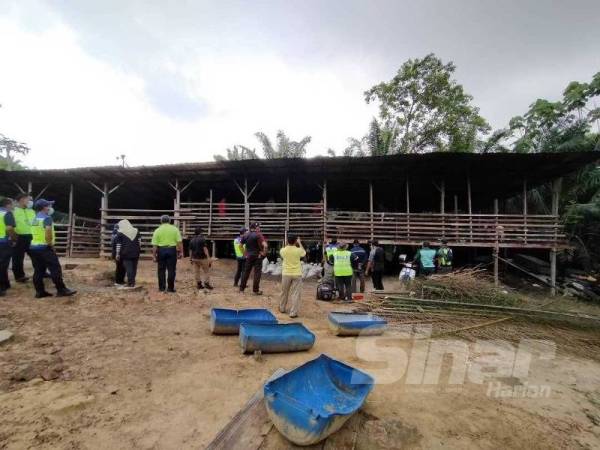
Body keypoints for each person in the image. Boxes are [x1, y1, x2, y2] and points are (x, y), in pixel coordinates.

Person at [29, 199, 77, 298]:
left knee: (38, 270)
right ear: (44, 207)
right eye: (48, 205)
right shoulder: (47, 218)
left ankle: (39, 291)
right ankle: (61, 290)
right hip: (44, 247)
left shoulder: (34, 219)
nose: (50, 207)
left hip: (33, 247)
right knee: (55, 269)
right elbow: (48, 233)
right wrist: (50, 244)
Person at [151, 215, 183, 293]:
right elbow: (179, 242)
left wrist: (154, 255)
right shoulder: (175, 229)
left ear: (161, 221)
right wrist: (181, 252)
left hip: (161, 250)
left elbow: (154, 245)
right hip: (172, 250)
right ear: (169, 221)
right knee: (171, 270)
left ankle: (162, 288)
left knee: (161, 270)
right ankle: (170, 288)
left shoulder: (157, 230)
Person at [279, 234, 306, 318]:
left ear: (287, 241)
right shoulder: (298, 250)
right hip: (297, 273)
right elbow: (304, 253)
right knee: (295, 294)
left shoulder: (283, 250)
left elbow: (284, 251)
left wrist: (288, 243)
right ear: (295, 241)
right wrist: (300, 243)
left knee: (284, 292)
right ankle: (293, 312)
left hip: (286, 273)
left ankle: (282, 308)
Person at [11, 193, 35, 282]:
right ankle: (19, 276)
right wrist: (13, 237)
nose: (30, 202)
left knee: (37, 256)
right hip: (19, 237)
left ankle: (41, 272)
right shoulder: (13, 211)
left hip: (32, 237)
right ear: (22, 200)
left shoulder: (31, 211)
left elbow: (35, 224)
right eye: (28, 199)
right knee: (17, 258)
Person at [239, 222, 267, 295]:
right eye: (259, 227)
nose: (259, 228)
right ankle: (255, 290)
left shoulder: (246, 235)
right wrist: (264, 253)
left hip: (249, 256)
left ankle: (241, 289)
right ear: (256, 228)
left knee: (246, 272)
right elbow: (265, 245)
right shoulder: (259, 235)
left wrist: (245, 254)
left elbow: (240, 246)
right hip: (257, 256)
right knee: (257, 274)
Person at [114, 219, 141, 289]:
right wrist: (138, 250)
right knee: (134, 268)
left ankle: (130, 283)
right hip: (136, 252)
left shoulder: (120, 233)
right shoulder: (136, 231)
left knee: (129, 268)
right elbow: (139, 242)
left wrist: (117, 254)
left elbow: (118, 245)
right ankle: (133, 282)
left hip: (125, 253)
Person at [0, 198, 17, 296]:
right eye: (12, 203)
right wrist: (14, 239)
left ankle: (6, 283)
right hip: (4, 242)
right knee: (3, 265)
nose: (13, 205)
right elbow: (10, 229)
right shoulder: (7, 214)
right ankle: (1, 287)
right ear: (7, 205)